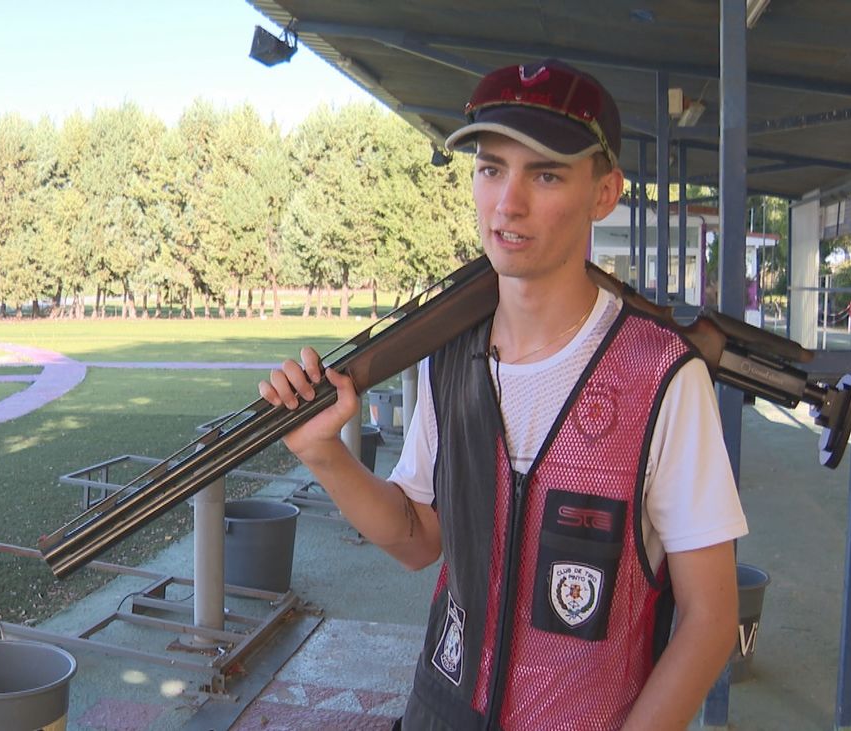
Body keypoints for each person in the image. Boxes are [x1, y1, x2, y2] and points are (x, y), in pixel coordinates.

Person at [260, 60, 745, 730]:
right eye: (490, 169)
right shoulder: (450, 356)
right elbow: (417, 539)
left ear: (605, 192)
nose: (507, 203)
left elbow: (711, 617)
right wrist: (325, 455)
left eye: (545, 174)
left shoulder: (661, 375)